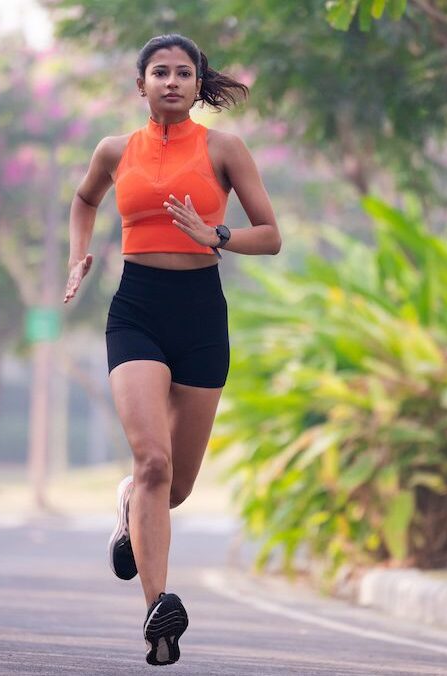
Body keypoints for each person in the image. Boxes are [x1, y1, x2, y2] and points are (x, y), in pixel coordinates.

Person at [61, 33, 282, 666]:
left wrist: (216, 234)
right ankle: (159, 608)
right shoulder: (113, 150)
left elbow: (270, 236)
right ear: (141, 85)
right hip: (137, 310)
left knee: (173, 487)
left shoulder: (224, 149)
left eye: (184, 73)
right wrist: (78, 255)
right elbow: (83, 200)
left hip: (201, 316)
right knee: (152, 459)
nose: (173, 82)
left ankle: (130, 502)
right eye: (160, 72)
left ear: (196, 84)